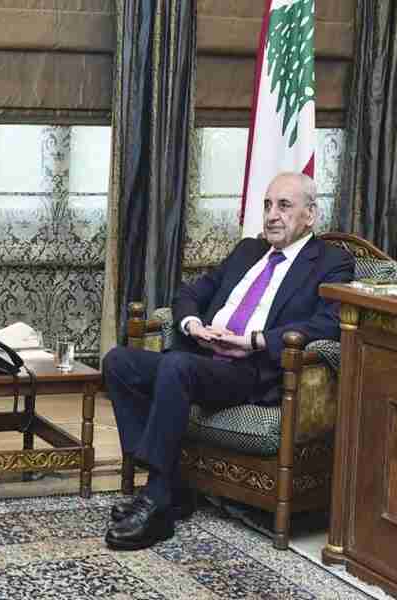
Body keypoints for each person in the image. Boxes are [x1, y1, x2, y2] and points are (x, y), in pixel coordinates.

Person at [101, 172, 353, 551]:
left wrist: (253, 341)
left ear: (310, 215)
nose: (272, 215)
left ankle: (156, 501)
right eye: (267, 205)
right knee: (119, 361)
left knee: (176, 366)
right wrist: (193, 324)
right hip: (204, 356)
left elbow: (328, 324)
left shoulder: (332, 262)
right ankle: (173, 488)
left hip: (251, 370)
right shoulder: (248, 251)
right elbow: (191, 293)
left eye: (284, 206)